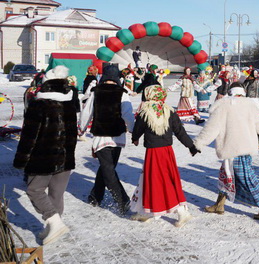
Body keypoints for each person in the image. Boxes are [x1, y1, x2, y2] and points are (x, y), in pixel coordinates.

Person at [13, 65, 78, 245]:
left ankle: (54, 222)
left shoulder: (39, 105)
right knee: (56, 194)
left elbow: (29, 136)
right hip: (65, 157)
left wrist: (21, 160)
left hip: (43, 157)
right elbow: (73, 134)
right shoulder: (69, 104)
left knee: (34, 190)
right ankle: (52, 227)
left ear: (46, 84)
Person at [194, 82, 259, 220]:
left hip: (232, 149)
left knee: (247, 179)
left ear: (230, 92)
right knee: (226, 176)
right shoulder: (250, 105)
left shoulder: (224, 106)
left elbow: (211, 128)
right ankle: (219, 205)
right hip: (245, 148)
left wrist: (198, 143)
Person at [130, 85, 198, 227]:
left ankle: (182, 212)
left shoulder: (145, 111)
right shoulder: (169, 111)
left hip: (154, 152)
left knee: (157, 180)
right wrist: (190, 146)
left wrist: (135, 138)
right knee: (162, 179)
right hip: (166, 151)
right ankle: (147, 211)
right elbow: (179, 131)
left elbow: (138, 128)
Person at [79, 64, 135, 215]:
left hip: (101, 136)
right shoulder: (122, 93)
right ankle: (119, 199)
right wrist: (132, 130)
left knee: (107, 168)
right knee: (108, 168)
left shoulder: (96, 92)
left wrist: (81, 128)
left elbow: (87, 112)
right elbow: (128, 114)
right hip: (117, 136)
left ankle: (100, 197)